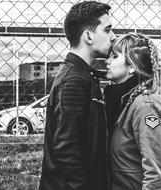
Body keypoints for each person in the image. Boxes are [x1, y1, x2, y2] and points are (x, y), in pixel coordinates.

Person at [39, 1, 116, 190]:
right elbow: (66, 148)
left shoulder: (83, 75)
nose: (114, 37)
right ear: (88, 36)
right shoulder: (74, 80)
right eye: (107, 30)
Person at [104, 33, 161, 190]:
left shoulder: (145, 106)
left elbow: (156, 174)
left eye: (114, 56)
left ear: (131, 66)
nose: (107, 61)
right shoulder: (123, 101)